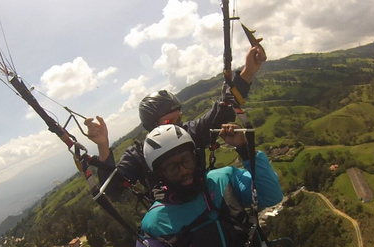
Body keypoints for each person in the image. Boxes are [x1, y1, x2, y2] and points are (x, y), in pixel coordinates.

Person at [135, 123, 350, 247]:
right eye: (173, 168)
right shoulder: (154, 223)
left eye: (186, 161)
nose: (184, 172)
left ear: (195, 157)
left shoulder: (223, 179)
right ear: (160, 175)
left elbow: (270, 195)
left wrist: (245, 149)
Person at [84, 44, 266, 200]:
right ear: (153, 125)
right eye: (170, 120)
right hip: (172, 220)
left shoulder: (190, 133)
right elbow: (113, 191)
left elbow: (224, 110)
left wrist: (248, 72)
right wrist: (104, 147)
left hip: (206, 202)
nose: (177, 125)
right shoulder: (139, 155)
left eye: (179, 118)